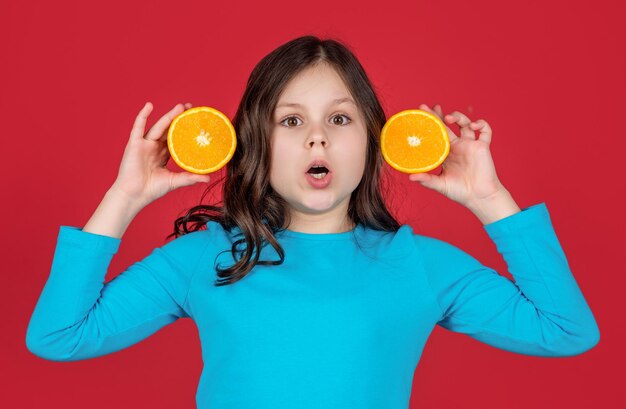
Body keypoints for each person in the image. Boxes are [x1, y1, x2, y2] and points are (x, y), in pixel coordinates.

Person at [25, 35, 600, 409]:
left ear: (374, 142)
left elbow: (567, 331)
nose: (317, 136)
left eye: (340, 118)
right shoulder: (210, 255)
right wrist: (124, 196)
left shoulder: (420, 263)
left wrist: (490, 198)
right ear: (258, 142)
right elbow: (58, 337)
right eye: (292, 120)